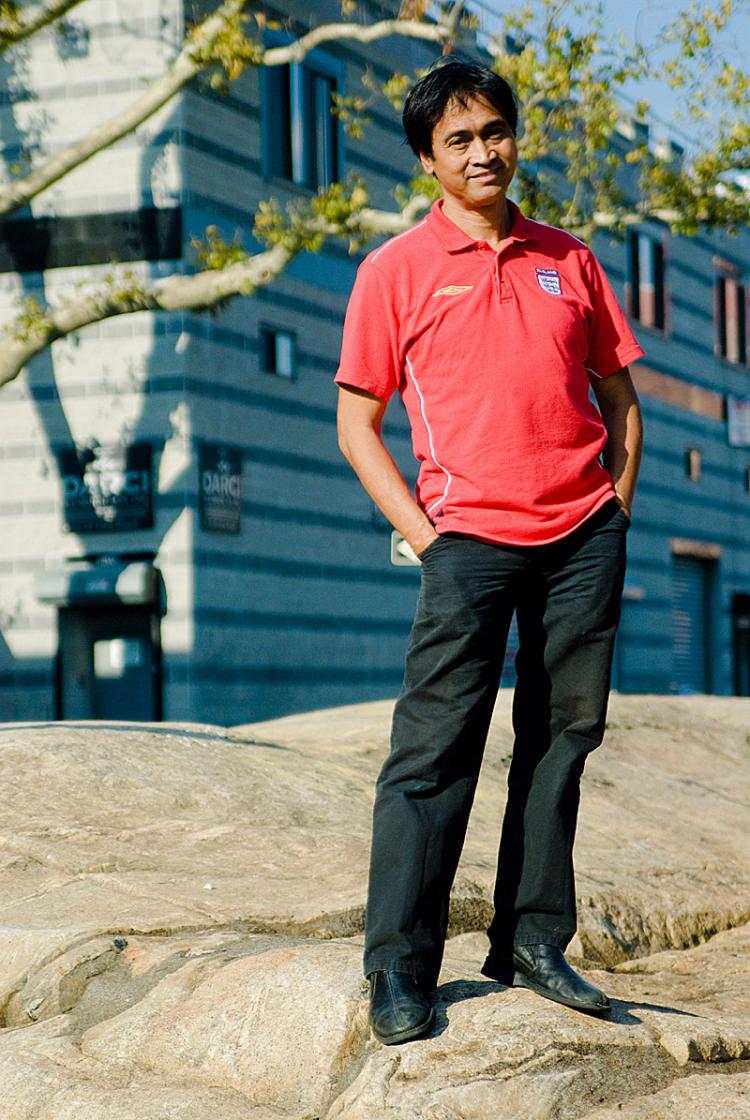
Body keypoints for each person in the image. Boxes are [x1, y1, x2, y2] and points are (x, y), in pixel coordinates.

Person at [335, 59, 644, 1046]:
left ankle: (532, 942)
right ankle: (398, 967)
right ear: (428, 159)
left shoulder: (572, 259)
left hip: (581, 537)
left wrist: (616, 512)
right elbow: (355, 423)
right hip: (465, 540)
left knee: (562, 742)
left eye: (495, 132)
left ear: (515, 138)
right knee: (432, 756)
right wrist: (427, 536)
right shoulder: (394, 270)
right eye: (459, 140)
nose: (483, 152)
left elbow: (620, 399)